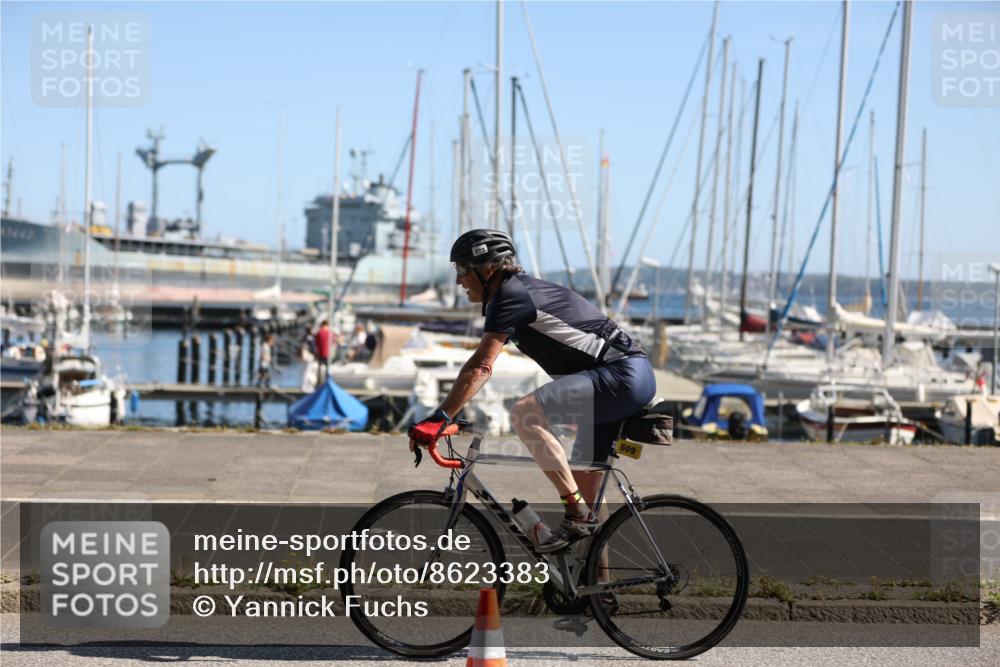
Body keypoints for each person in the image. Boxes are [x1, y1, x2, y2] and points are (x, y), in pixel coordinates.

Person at [408, 229, 656, 553]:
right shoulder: (517, 293)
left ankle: (576, 512)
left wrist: (439, 417)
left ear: (487, 269)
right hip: (623, 377)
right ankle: (598, 592)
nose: (458, 281)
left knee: (525, 413)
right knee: (587, 493)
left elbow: (482, 366)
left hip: (622, 376)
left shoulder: (510, 295)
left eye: (461, 270)